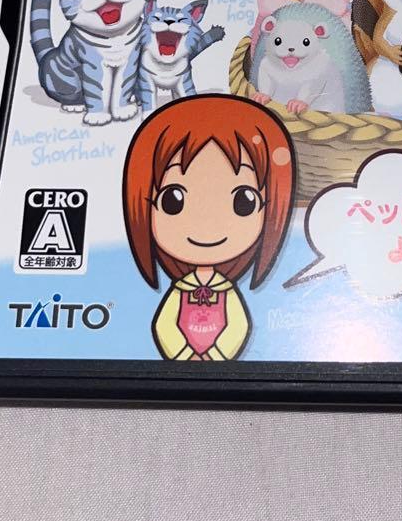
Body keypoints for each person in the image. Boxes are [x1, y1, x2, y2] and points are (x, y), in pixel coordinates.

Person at [122, 94, 295, 361]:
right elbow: (165, 325)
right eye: (172, 201)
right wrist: (183, 355)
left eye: (244, 202)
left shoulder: (225, 290)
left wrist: (215, 356)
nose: (207, 224)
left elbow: (238, 326)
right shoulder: (182, 289)